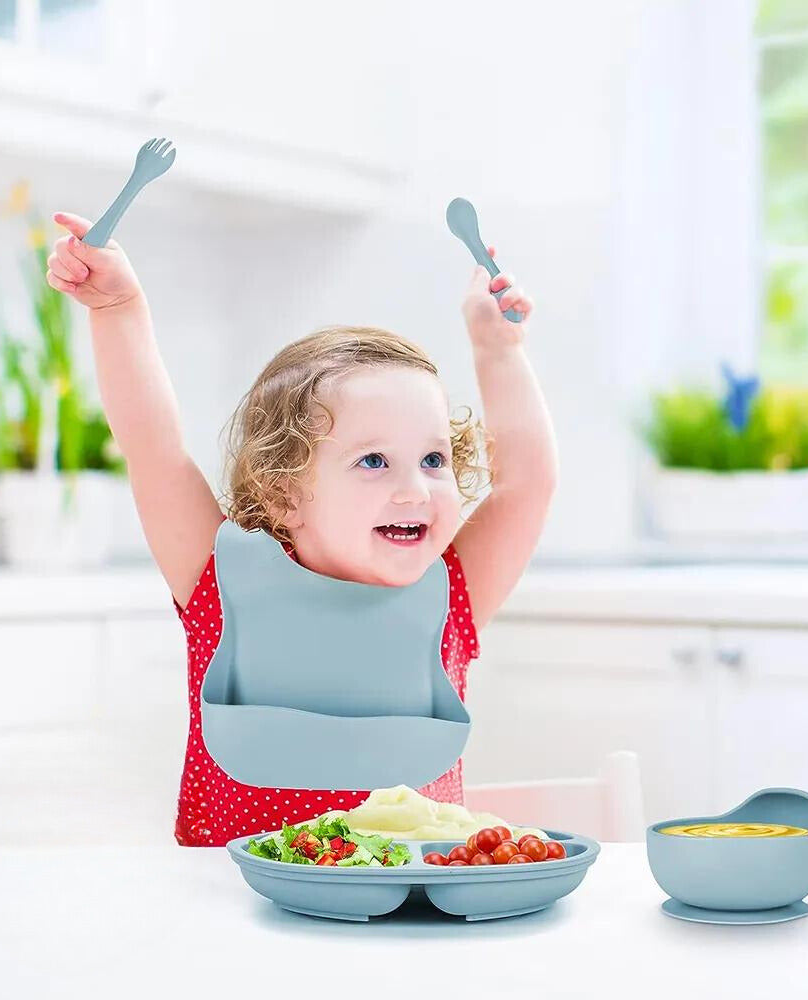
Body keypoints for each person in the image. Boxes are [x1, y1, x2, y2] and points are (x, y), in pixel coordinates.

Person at [45, 210, 558, 845]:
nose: (415, 489)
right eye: (373, 461)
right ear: (284, 492)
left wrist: (497, 350)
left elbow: (527, 485)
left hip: (408, 923)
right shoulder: (221, 583)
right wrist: (118, 309)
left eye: (433, 460)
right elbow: (155, 450)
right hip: (235, 921)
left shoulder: (453, 590)